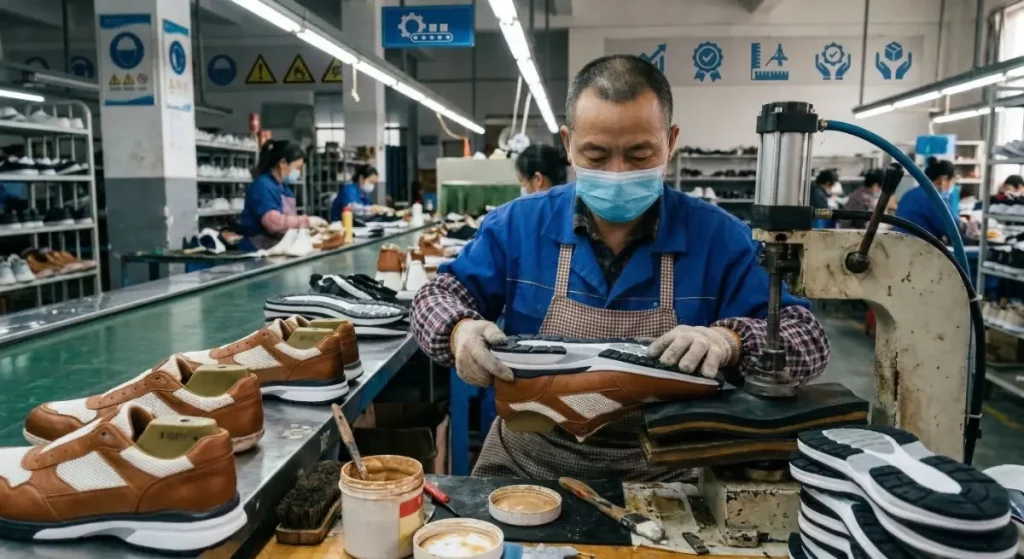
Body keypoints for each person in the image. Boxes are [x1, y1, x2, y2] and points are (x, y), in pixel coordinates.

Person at [410, 54, 830, 481]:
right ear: (568, 143)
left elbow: (808, 340)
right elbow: (436, 296)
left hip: (670, 479)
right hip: (526, 469)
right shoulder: (517, 226)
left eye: (638, 154)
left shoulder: (720, 238)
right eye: (595, 154)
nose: (617, 173)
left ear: (671, 141)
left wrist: (730, 341)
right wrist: (459, 330)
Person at [239, 140, 324, 251]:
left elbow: (288, 223)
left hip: (277, 246)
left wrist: (308, 230)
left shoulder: (284, 187)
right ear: (283, 163)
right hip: (258, 250)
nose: (299, 173)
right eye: (297, 168)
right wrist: (307, 221)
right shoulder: (263, 185)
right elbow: (273, 223)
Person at [895, 157, 958, 241]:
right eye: (953, 181)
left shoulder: (910, 194)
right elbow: (954, 229)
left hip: (899, 245)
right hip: (919, 249)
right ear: (943, 180)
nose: (952, 186)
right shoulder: (933, 197)